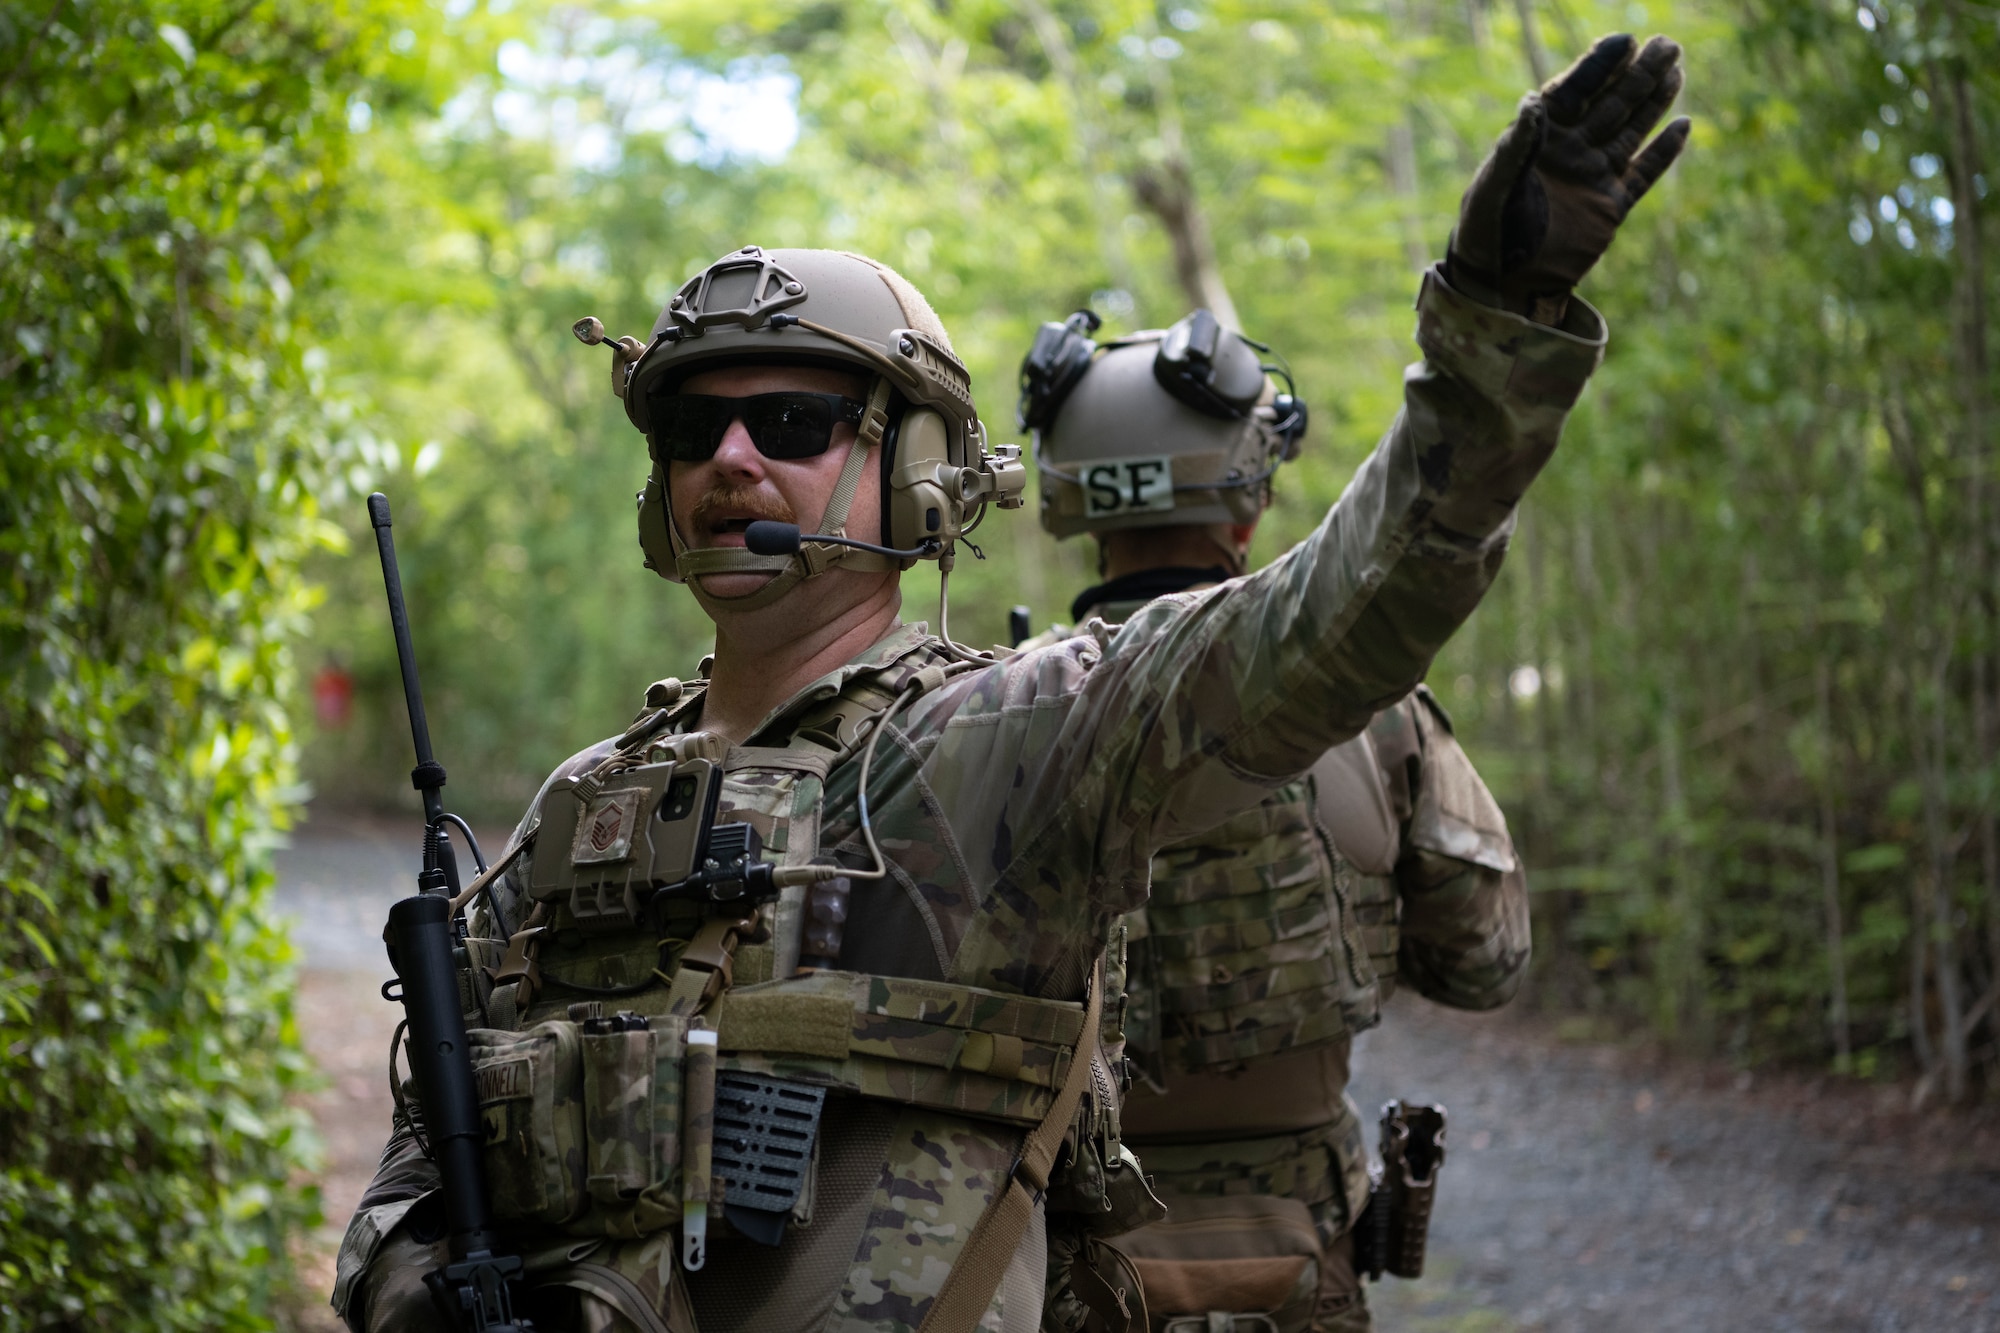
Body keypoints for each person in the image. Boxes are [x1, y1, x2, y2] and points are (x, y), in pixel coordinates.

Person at [331, 32, 1687, 1333]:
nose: (731, 459)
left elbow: (1346, 610)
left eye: (794, 423)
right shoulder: (591, 801)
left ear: (919, 468)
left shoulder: (1011, 742)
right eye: (695, 428)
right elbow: (423, 1149)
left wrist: (1496, 330)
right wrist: (408, 1280)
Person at [1017, 299, 1530, 1333]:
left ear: (1078, 511)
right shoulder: (1377, 722)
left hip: (1061, 1261)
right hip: (1297, 1257)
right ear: (1245, 505)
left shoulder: (984, 722)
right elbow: (1484, 961)